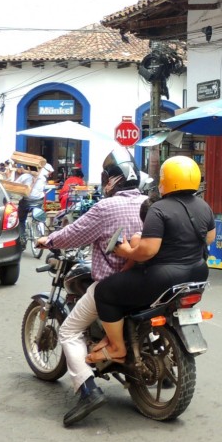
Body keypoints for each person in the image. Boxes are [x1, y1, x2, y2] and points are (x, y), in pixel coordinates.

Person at [36, 146, 145, 427]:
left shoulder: (105, 207)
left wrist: (47, 241)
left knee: (69, 330)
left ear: (111, 179)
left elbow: (73, 234)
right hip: (145, 281)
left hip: (113, 286)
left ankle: (87, 390)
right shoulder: (149, 202)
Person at [88, 156, 214, 367]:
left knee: (104, 292)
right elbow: (208, 238)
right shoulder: (203, 206)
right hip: (198, 274)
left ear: (167, 179)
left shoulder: (159, 208)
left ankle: (117, 347)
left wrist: (127, 251)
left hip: (163, 279)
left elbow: (147, 251)